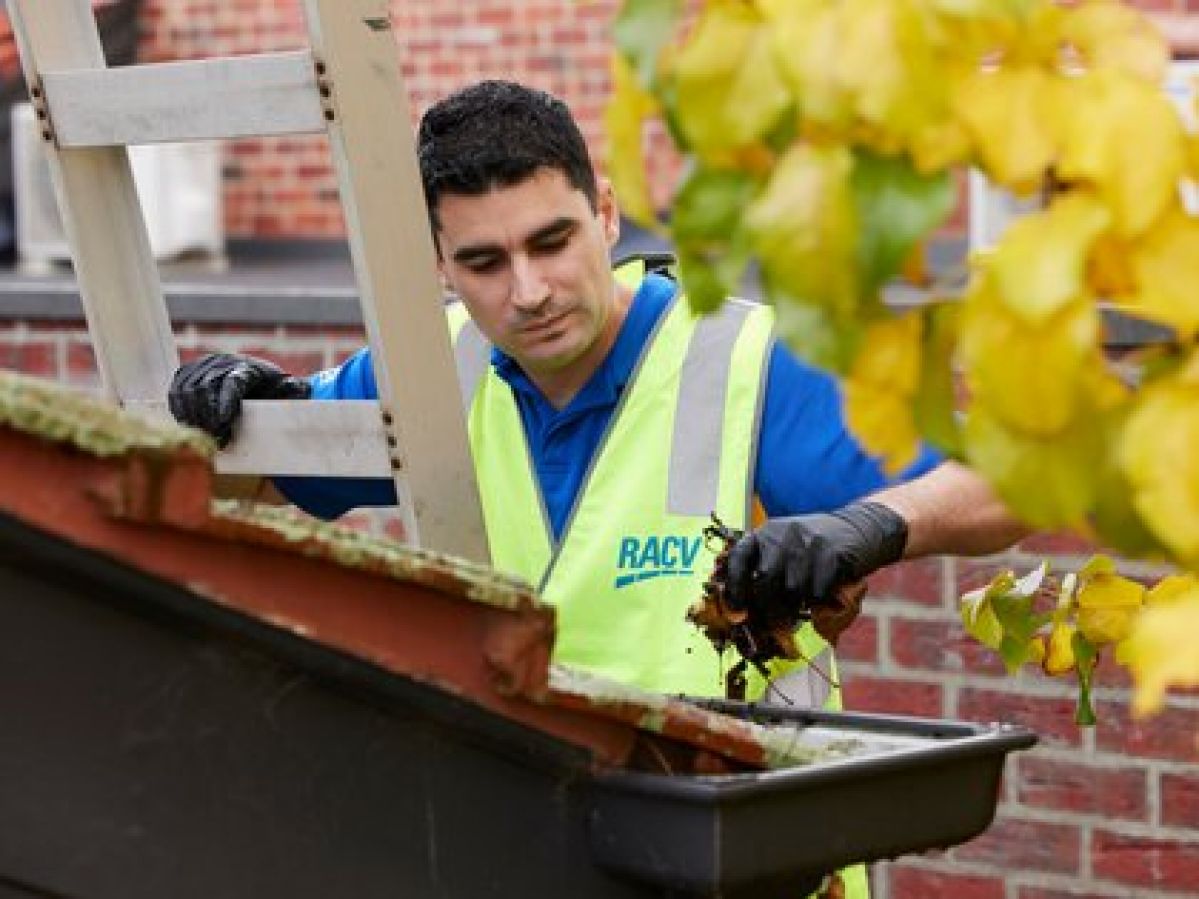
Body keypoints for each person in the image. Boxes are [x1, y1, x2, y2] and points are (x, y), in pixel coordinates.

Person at [171, 78, 1024, 899]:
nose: (529, 290)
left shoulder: (742, 363)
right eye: (484, 261)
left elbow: (1002, 489)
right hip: (526, 856)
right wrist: (243, 407)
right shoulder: (434, 370)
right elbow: (257, 486)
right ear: (438, 265)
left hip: (743, 862)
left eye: (551, 242)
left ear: (606, 214)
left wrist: (869, 524)